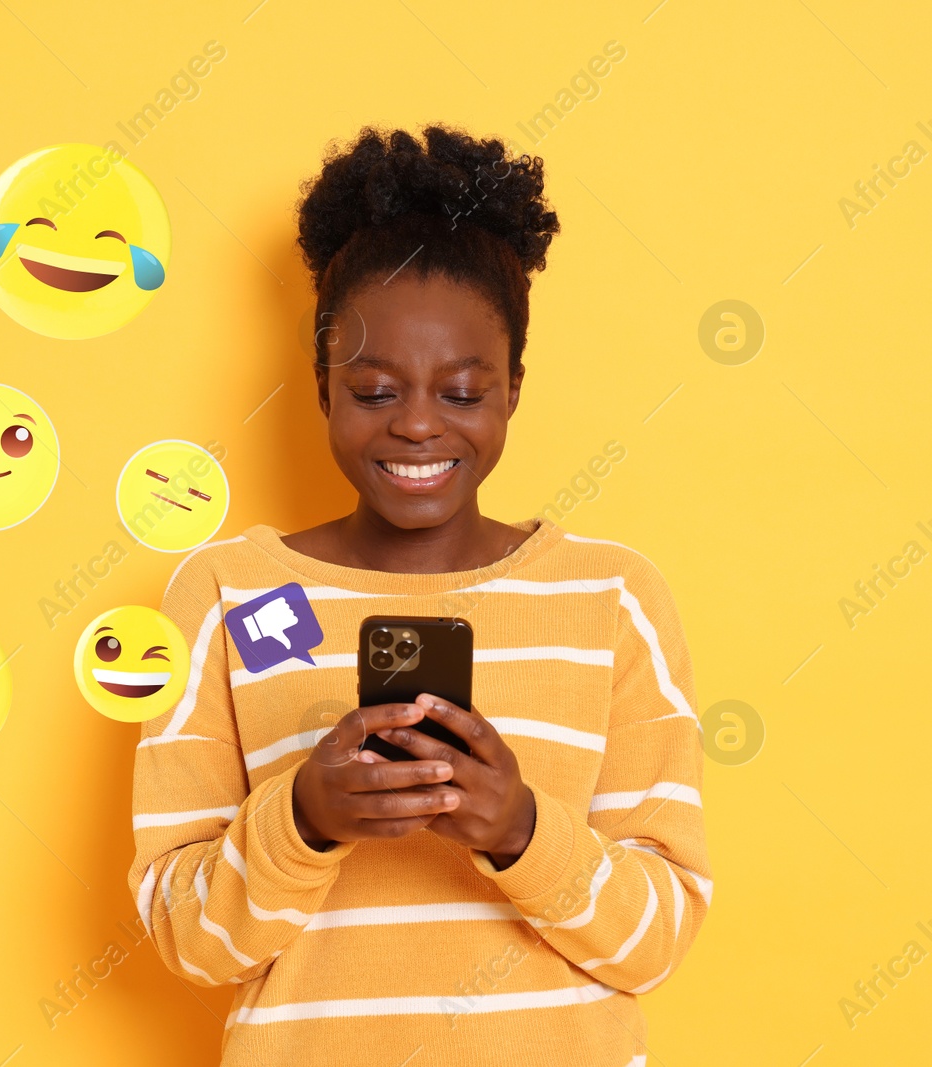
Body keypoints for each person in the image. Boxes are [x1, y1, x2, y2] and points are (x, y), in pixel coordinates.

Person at [128, 126, 709, 1067]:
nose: (418, 424)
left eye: (465, 391)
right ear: (321, 386)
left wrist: (521, 829)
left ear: (514, 388)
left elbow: (656, 939)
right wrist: (305, 817)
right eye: (373, 389)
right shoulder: (226, 595)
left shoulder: (614, 599)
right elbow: (187, 939)